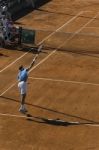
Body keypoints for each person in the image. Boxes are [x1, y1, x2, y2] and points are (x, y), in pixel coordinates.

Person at [17, 45, 42, 113]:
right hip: (22, 84)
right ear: (22, 68)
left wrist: (25, 82)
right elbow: (31, 65)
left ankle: (23, 107)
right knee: (23, 96)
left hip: (19, 84)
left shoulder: (19, 73)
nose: (23, 67)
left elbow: (19, 80)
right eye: (22, 67)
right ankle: (21, 108)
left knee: (23, 95)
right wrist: (34, 59)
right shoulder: (25, 70)